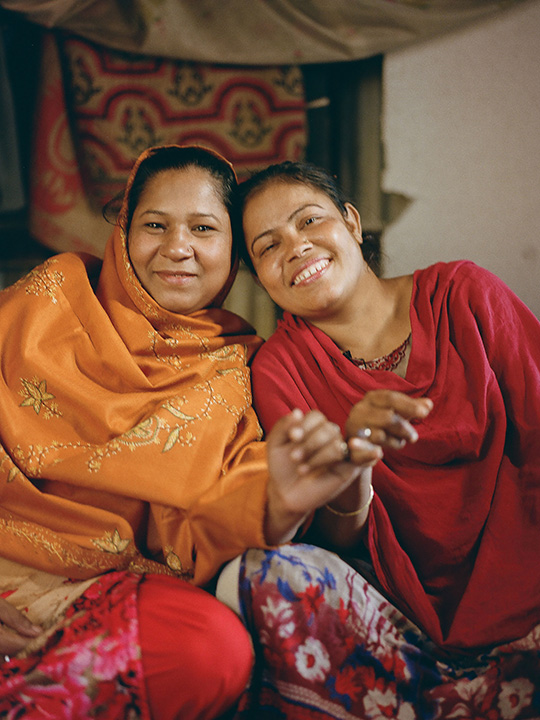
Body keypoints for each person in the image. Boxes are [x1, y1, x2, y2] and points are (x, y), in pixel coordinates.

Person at [0, 146, 369, 720]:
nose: (178, 248)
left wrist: (281, 502)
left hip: (107, 600)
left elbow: (225, 510)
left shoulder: (240, 368)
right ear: (123, 230)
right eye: (154, 225)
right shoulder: (48, 300)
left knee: (212, 649)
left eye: (203, 228)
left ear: (233, 254)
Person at [217, 160, 540, 719]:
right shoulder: (277, 369)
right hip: (404, 627)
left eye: (309, 221)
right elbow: (339, 542)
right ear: (258, 276)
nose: (295, 247)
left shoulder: (465, 294)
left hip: (529, 582)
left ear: (351, 222)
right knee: (265, 575)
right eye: (268, 246)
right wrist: (354, 462)